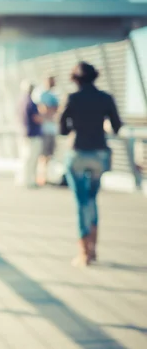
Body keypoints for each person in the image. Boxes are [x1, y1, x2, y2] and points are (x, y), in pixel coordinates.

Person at [60, 61, 122, 267]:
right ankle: (94, 249)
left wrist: (74, 127)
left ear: (75, 79)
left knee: (80, 202)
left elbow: (62, 127)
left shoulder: (72, 98)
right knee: (92, 199)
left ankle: (83, 253)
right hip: (99, 154)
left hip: (77, 153)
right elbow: (116, 126)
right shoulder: (106, 98)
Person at [32, 76, 59, 186]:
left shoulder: (54, 95)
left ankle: (46, 176)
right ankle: (40, 176)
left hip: (52, 129)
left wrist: (49, 110)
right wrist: (49, 110)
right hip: (44, 129)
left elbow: (55, 110)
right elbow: (42, 110)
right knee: (42, 154)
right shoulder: (41, 94)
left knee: (49, 154)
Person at [16, 81, 43, 188]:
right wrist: (45, 117)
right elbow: (36, 118)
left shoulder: (20, 102)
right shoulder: (31, 103)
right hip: (32, 134)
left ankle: (22, 179)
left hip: (23, 133)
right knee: (31, 159)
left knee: (24, 158)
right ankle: (28, 180)